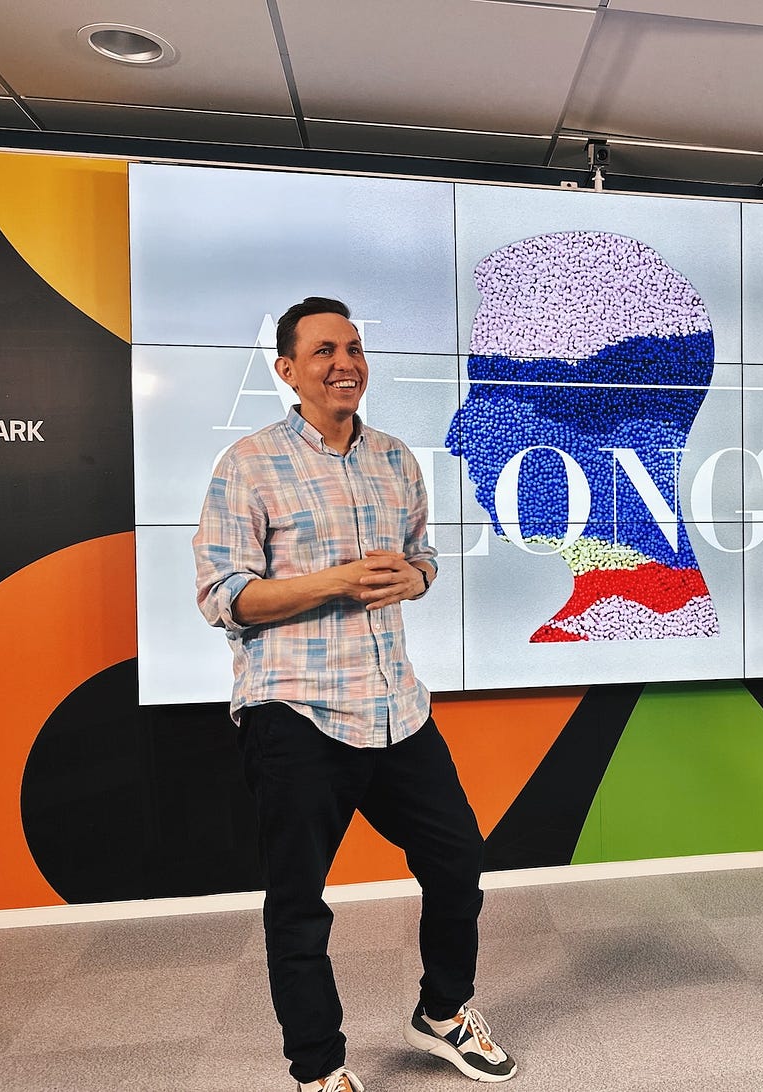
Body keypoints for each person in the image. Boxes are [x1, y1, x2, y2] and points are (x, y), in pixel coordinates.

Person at [194, 297, 517, 1091]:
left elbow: (422, 557)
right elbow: (224, 597)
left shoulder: (396, 459)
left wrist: (417, 577)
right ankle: (319, 1068)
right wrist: (336, 581)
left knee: (458, 860)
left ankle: (443, 1013)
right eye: (324, 351)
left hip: (395, 705)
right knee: (299, 902)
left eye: (354, 348)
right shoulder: (247, 463)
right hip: (294, 708)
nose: (345, 364)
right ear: (287, 370)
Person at [446, 230, 718, 642]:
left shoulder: (576, 636)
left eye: (489, 392)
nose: (458, 435)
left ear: (601, 415)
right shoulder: (680, 617)